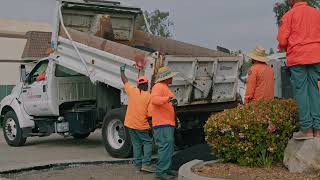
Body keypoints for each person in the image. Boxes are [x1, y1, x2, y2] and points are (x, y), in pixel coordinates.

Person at [277, 0, 320, 140]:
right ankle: (318, 130)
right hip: (316, 55)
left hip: (298, 57)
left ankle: (307, 129)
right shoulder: (316, 13)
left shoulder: (289, 15)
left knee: (301, 90)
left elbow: (282, 41)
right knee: (315, 90)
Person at [120, 64, 155, 173]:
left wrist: (122, 71)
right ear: (146, 85)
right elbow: (150, 114)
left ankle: (137, 166)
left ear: (138, 85)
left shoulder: (133, 91)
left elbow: (124, 81)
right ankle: (146, 164)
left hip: (130, 124)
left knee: (136, 144)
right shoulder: (149, 96)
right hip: (141, 125)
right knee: (148, 142)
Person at [150, 67, 178, 180]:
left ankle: (165, 169)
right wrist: (168, 99)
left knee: (167, 147)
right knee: (165, 146)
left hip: (166, 123)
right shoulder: (158, 86)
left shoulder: (164, 87)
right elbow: (154, 100)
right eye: (170, 76)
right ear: (166, 77)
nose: (172, 78)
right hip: (162, 123)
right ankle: (161, 172)